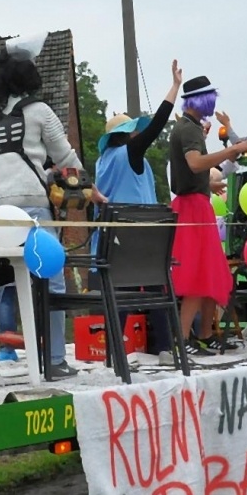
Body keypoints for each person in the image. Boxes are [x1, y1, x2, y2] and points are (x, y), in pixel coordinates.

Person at [0, 35, 92, 379]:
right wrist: (90, 189)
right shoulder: (40, 111)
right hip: (33, 208)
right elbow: (66, 158)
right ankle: (53, 360)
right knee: (51, 281)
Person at [166, 75, 247, 357]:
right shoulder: (190, 129)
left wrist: (207, 185)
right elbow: (195, 164)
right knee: (198, 274)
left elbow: (187, 173)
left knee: (209, 272)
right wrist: (234, 148)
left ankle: (205, 334)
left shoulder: (188, 126)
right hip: (192, 209)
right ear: (202, 99)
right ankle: (183, 339)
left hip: (195, 203)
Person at [95, 61, 182, 354]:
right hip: (139, 231)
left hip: (111, 233)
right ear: (130, 134)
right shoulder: (130, 153)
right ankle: (166, 348)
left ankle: (114, 353)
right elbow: (157, 125)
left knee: (121, 292)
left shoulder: (102, 161)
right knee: (156, 287)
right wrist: (174, 88)